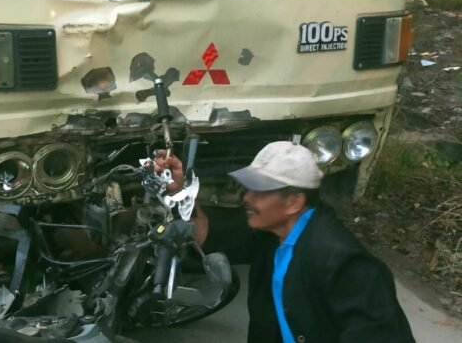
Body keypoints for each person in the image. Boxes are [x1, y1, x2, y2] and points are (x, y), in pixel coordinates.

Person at [156, 141, 415, 343]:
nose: (247, 198)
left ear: (293, 202)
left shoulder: (345, 264)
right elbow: (205, 233)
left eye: (259, 192)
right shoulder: (273, 234)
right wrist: (178, 190)